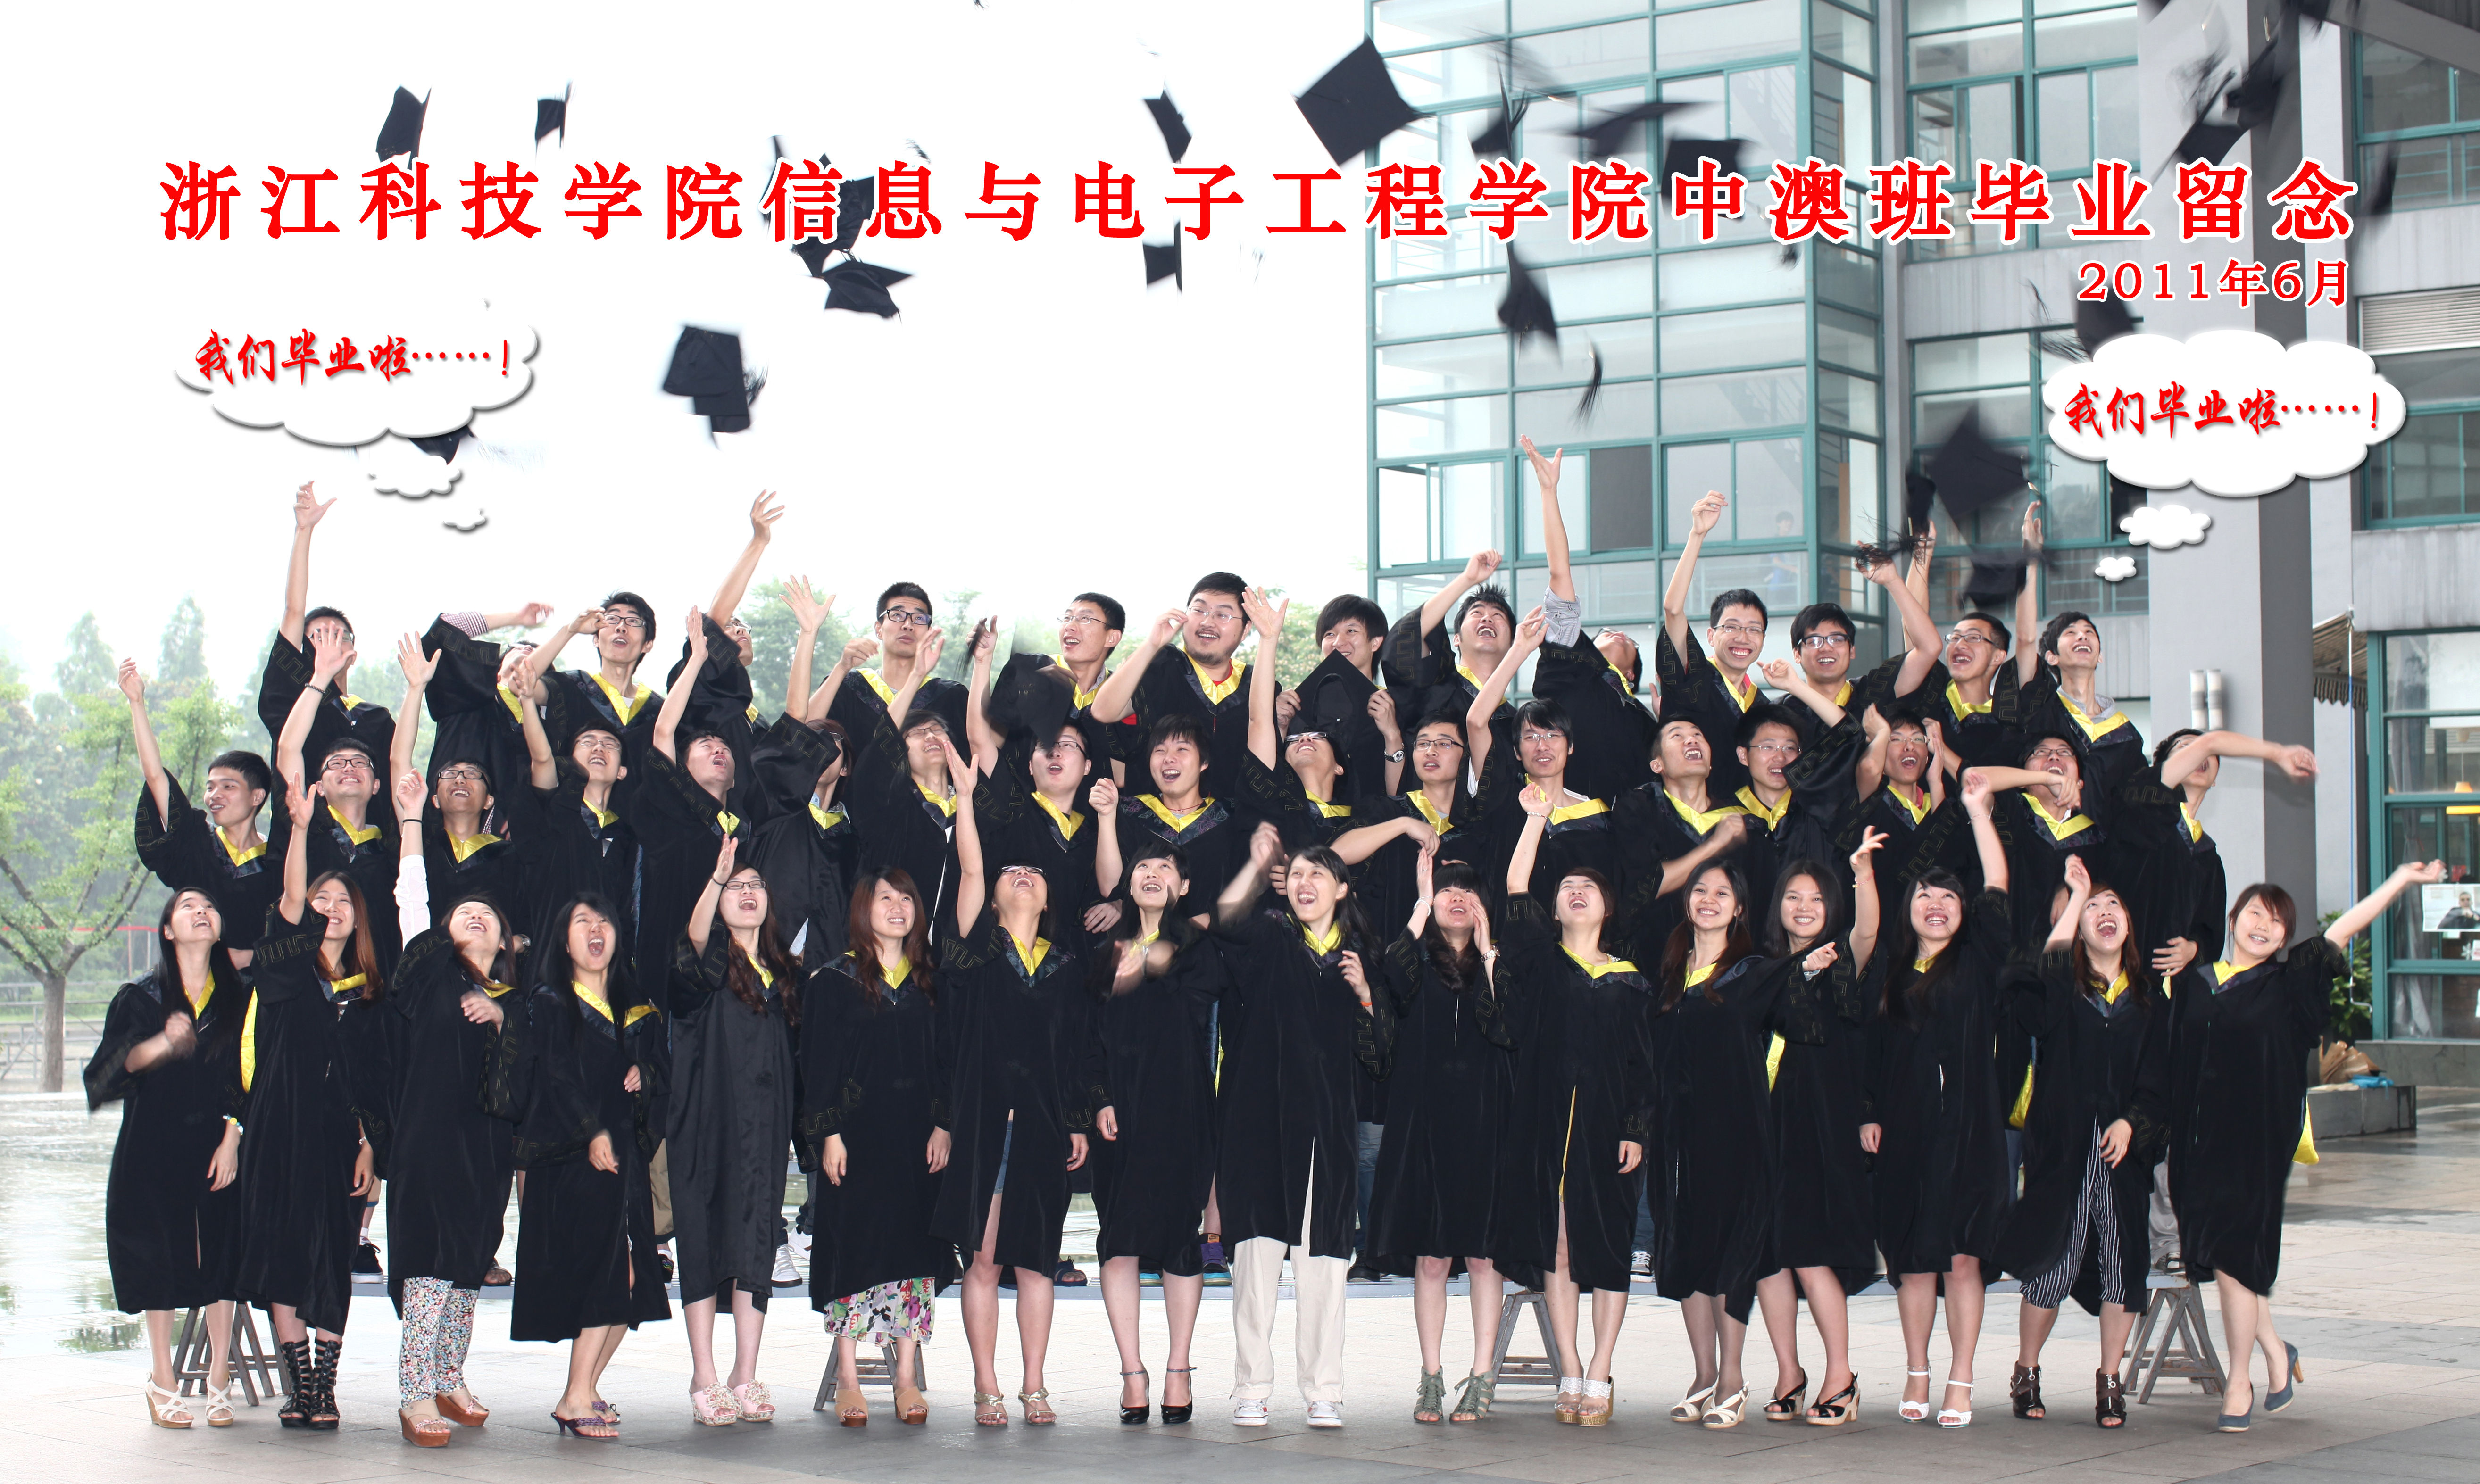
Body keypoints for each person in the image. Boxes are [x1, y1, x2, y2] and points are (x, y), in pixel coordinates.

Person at [2164, 858, 2443, 1432]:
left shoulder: (2288, 984)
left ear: (2284, 938)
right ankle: (2275, 1351)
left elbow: (2342, 930)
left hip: (2255, 1148)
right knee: (2229, 1261)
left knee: (2236, 1262)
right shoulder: (2194, 983)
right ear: (2232, 920)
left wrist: (2401, 880)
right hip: (2196, 1151)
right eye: (2253, 914)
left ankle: (2237, 1381)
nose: (2261, 926)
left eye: (2275, 922)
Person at [934, 743, 1109, 1427]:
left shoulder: (1065, 966)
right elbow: (971, 865)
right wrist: (965, 799)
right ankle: (987, 1385)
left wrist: (1077, 1118)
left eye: (1035, 872)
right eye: (1012, 872)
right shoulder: (975, 951)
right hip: (983, 1123)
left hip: (1042, 1125)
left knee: (1036, 1260)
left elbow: (1080, 1051)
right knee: (982, 1259)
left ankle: (1035, 1384)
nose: (1023, 875)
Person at [1645, 860, 1839, 1431]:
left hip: (1734, 1133)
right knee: (1683, 1250)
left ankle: (1732, 1377)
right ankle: (1703, 1375)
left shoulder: (1754, 972)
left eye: (1721, 893)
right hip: (1675, 1136)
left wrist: (1806, 974)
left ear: (1739, 910)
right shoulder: (1669, 971)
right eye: (1699, 890)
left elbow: (1803, 1024)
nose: (1707, 899)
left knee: (1729, 1253)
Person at [1213, 821, 1390, 1429]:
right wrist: (1255, 864)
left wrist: (1364, 996)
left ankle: (1323, 1390)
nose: (1305, 882)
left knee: (1324, 1267)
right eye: (1298, 874)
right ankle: (1251, 1387)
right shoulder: (1269, 935)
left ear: (1342, 889)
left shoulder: (1358, 959)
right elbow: (1225, 919)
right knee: (1254, 1264)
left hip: (1325, 1132)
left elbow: (1378, 1056)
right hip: (1259, 1125)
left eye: (1320, 873)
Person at [1494, 787, 1656, 1427]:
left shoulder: (1630, 979)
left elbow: (1643, 1067)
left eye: (1588, 886)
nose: (1576, 891)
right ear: (1554, 906)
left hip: (1606, 1132)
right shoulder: (1540, 961)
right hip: (1543, 1129)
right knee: (1557, 1246)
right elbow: (1515, 884)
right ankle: (1568, 1367)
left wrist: (1635, 1128)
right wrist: (1534, 819)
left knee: (1608, 1249)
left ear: (1607, 905)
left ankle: (1600, 1368)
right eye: (1566, 887)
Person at [1996, 855, 2171, 1430]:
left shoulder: (2148, 999)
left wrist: (2132, 1122)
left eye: (2111, 903)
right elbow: (2034, 997)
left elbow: (2162, 1080)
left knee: (2123, 1264)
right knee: (2055, 1261)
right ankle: (2026, 1369)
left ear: (2129, 923)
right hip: (2062, 1149)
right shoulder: (2061, 990)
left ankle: (2109, 1380)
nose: (2103, 912)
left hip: (2121, 1156)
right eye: (2090, 907)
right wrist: (2073, 898)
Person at [1861, 767, 2011, 1428]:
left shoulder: (1978, 962)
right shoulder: (1889, 972)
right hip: (1905, 1131)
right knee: (1913, 1259)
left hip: (1969, 1132)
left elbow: (1997, 886)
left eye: (1948, 896)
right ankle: (1916, 1369)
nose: (1936, 904)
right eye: (1924, 894)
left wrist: (1978, 813)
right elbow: (1870, 1052)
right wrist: (1867, 1113)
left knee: (1961, 1258)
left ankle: (1961, 1377)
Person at [233, 781, 387, 1432]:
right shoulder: (286, 970)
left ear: (359, 918)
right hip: (280, 1130)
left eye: (343, 901)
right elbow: (291, 905)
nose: (331, 908)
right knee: (284, 1251)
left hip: (340, 1141)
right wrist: (298, 829)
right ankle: (299, 1385)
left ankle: (325, 1385)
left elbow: (380, 1081)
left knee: (331, 1257)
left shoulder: (373, 994)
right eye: (323, 899)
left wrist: (372, 1146)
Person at [384, 770, 522, 1448]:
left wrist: (503, 1018)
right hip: (429, 1141)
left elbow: (536, 1075)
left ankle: (449, 1373)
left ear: (506, 941)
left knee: (469, 1260)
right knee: (430, 1262)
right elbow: (413, 899)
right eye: (462, 913)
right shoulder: (430, 973)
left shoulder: (517, 1002)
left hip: (487, 1149)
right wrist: (413, 819)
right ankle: (415, 1390)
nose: (474, 916)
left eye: (487, 916)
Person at [499, 896, 668, 1438]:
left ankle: (586, 1387)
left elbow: (662, 1071)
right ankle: (574, 1396)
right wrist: (590, 1130)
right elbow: (555, 1076)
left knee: (634, 1283)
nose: (596, 930)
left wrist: (646, 1074)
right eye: (582, 922)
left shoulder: (634, 1006)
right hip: (572, 1158)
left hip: (623, 1158)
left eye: (604, 922)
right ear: (565, 942)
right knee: (608, 1274)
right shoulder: (549, 1002)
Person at [86, 888, 246, 1429]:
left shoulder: (240, 997)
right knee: (157, 1256)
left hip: (218, 1146)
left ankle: (220, 1378)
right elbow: (104, 1075)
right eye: (187, 907)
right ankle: (163, 1379)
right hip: (152, 1148)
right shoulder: (141, 997)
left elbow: (251, 1076)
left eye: (209, 907)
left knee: (221, 1252)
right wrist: (160, 1044)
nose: (201, 912)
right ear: (169, 930)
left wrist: (233, 1137)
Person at [799, 869, 953, 1427]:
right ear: (862, 909)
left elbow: (947, 1062)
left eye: (905, 898)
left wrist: (944, 1126)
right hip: (855, 1139)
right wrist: (829, 1134)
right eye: (884, 897)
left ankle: (905, 1377)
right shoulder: (833, 981)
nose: (897, 906)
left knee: (913, 1250)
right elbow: (817, 1065)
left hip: (917, 1140)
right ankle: (848, 1377)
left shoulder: (932, 982)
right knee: (853, 1248)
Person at [1370, 851, 1513, 1426]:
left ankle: (1481, 1375)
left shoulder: (1497, 964)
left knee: (1482, 1255)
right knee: (1431, 1258)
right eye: (1445, 890)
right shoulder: (1415, 962)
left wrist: (1487, 951)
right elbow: (1386, 978)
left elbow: (1507, 1027)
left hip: (1484, 1123)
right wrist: (1419, 904)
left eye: (1466, 890)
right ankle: (1430, 1377)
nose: (1456, 898)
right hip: (1423, 1122)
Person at [667, 839, 802, 1425]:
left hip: (766, 1128)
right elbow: (691, 948)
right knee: (702, 1237)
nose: (747, 894)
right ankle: (703, 1374)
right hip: (707, 1120)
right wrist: (716, 879)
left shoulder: (787, 972)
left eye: (755, 886)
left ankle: (744, 1373)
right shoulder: (709, 965)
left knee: (757, 1242)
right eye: (735, 889)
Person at [1754, 842, 1886, 1427]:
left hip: (1818, 1126)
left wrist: (1862, 875)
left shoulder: (1839, 963)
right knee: (1768, 1258)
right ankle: (1789, 1373)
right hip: (1763, 1128)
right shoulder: (1758, 968)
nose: (1803, 907)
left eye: (1815, 898)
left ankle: (1840, 1377)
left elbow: (1867, 932)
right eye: (1792, 897)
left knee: (1808, 1252)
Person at [1090, 847, 1222, 1426]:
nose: (1151, 874)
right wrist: (1099, 1099)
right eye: (1143, 867)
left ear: (1184, 886)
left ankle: (1177, 1368)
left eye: (1165, 868)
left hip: (1180, 1109)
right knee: (1117, 1240)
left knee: (1178, 1241)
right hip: (1117, 1112)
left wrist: (1147, 961)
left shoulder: (1198, 949)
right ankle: (1131, 1373)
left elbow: (1190, 1006)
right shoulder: (1102, 953)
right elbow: (1087, 1035)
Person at [1519, 438, 1656, 803]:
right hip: (1561, 818)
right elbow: (1560, 574)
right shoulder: (1573, 668)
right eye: (1606, 633)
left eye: (1630, 642)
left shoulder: (1642, 719)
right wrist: (1549, 492)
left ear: (1631, 675)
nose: (1618, 633)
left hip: (1625, 827)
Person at [125, 661, 278, 968]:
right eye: (210, 787)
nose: (214, 796)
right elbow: (156, 777)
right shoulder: (196, 842)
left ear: (257, 796)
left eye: (228, 786)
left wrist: (249, 958)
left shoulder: (280, 858)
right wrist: (136, 702)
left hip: (266, 989)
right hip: (200, 983)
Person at [273, 631, 408, 961]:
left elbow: (399, 760)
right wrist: (321, 677)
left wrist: (415, 689)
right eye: (336, 764)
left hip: (377, 980)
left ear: (377, 785)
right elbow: (288, 748)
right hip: (312, 977)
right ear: (319, 786)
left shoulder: (391, 849)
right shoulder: (306, 830)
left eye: (360, 763)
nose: (349, 767)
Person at [258, 481, 397, 795]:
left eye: (341, 635)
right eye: (319, 635)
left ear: (353, 654)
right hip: (305, 824)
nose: (331, 639)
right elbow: (294, 610)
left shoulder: (377, 719)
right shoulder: (290, 698)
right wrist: (304, 530)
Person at [1090, 573, 1261, 801]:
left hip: (1231, 818)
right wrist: (1152, 645)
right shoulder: (1162, 666)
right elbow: (1103, 712)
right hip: (1154, 816)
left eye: (1222, 615)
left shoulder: (1254, 684)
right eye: (1199, 610)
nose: (1207, 622)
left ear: (1246, 629)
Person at [391, 638, 521, 924]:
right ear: (434, 798)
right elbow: (399, 760)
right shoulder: (420, 839)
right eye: (450, 774)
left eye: (473, 774)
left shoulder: (509, 856)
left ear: (489, 800)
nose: (461, 778)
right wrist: (416, 688)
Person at [1658, 489, 1772, 797]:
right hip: (1690, 815)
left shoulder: (1763, 706)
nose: (1743, 638)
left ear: (1763, 639)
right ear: (1711, 636)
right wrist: (1697, 535)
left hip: (1747, 820)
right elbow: (1673, 610)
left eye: (1754, 629)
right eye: (1731, 627)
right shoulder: (1692, 675)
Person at [1331, 708, 1471, 938]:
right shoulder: (1389, 810)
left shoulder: (1476, 825)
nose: (1431, 751)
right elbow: (1336, 855)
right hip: (1390, 947)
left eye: (1444, 744)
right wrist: (1403, 825)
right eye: (1422, 744)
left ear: (1466, 755)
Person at [1112, 716, 1253, 923]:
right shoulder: (1129, 813)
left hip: (1213, 937)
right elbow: (1112, 887)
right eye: (1160, 750)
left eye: (1181, 749)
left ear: (1204, 762)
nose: (1169, 758)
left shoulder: (1231, 817)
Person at [1382, 547, 1516, 754]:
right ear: (1457, 639)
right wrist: (1467, 579)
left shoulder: (1515, 721)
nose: (1487, 619)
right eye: (1477, 613)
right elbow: (1405, 639)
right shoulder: (1437, 685)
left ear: (1512, 644)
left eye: (1498, 616)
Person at [824, 581, 970, 751]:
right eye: (897, 615)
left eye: (919, 618)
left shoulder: (951, 696)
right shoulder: (848, 686)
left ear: (929, 632)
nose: (908, 625)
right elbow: (806, 739)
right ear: (879, 629)